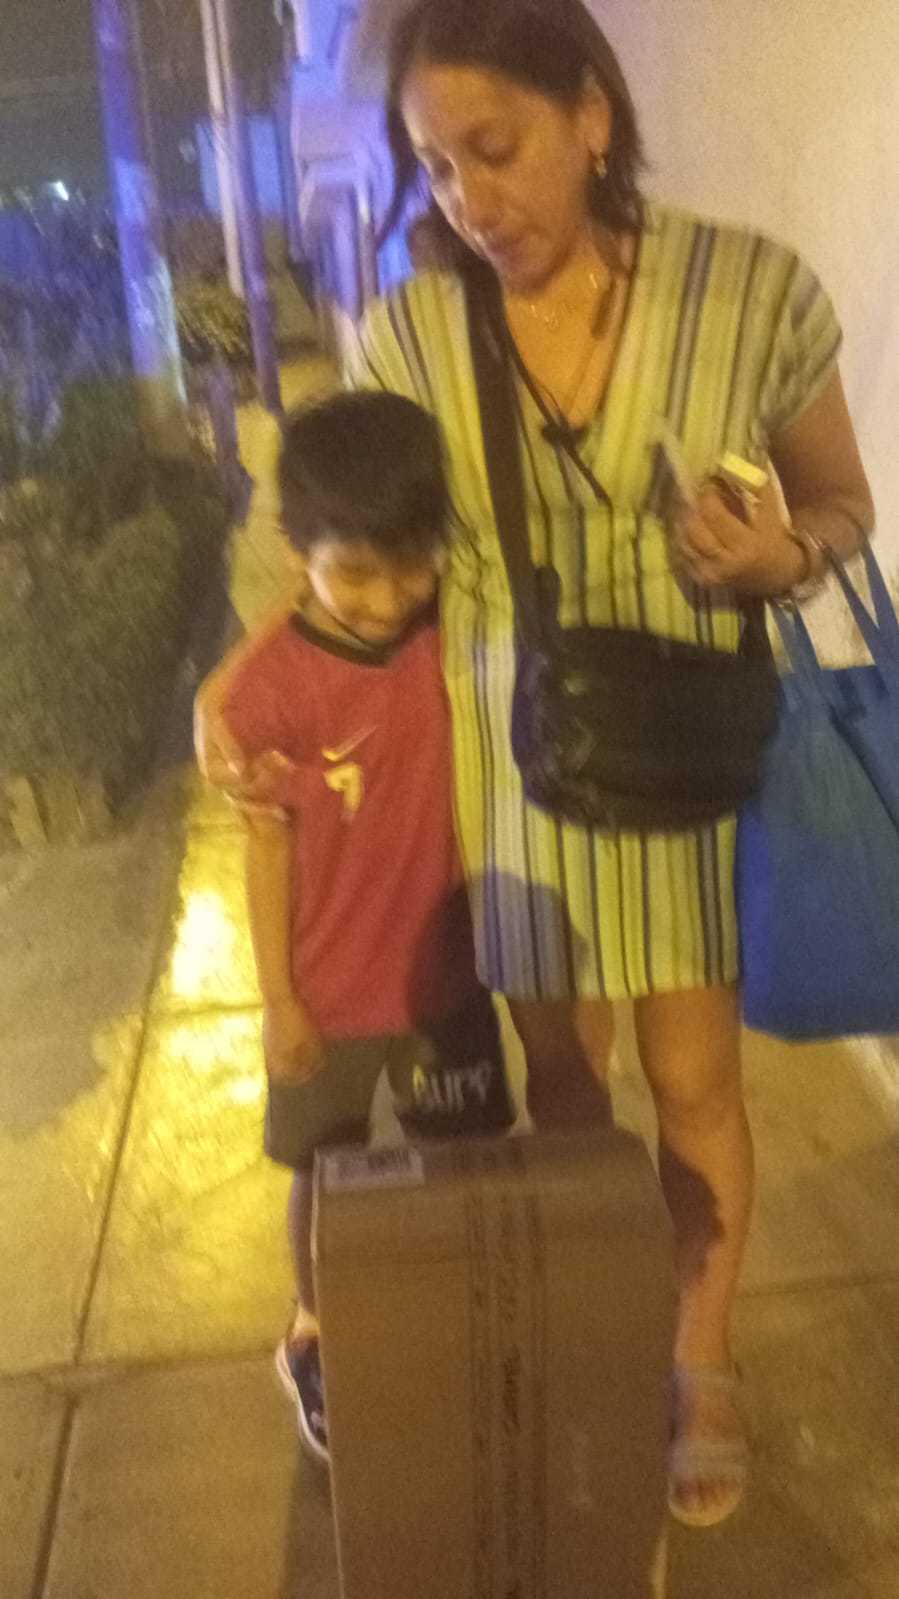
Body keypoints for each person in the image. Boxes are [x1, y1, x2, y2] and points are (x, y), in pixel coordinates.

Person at [196, 0, 875, 1525]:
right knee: (561, 1077)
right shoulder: (413, 329)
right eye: (435, 168)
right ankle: (604, 1311)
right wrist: (242, 671)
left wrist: (778, 550)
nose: (466, 199)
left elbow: (841, 501)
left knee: (694, 1081)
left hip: (683, 750)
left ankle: (696, 1354)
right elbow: (349, 539)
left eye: (493, 149)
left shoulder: (746, 288)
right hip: (507, 763)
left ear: (590, 114)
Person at [215, 390, 513, 1465]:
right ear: (296, 552)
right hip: (328, 991)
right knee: (323, 1172)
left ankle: (436, 1308)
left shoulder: (449, 629)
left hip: (443, 978)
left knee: (459, 1154)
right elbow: (264, 850)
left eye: (411, 567)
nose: (387, 600)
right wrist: (278, 1000)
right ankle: (316, 1330)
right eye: (354, 574)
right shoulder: (265, 694)